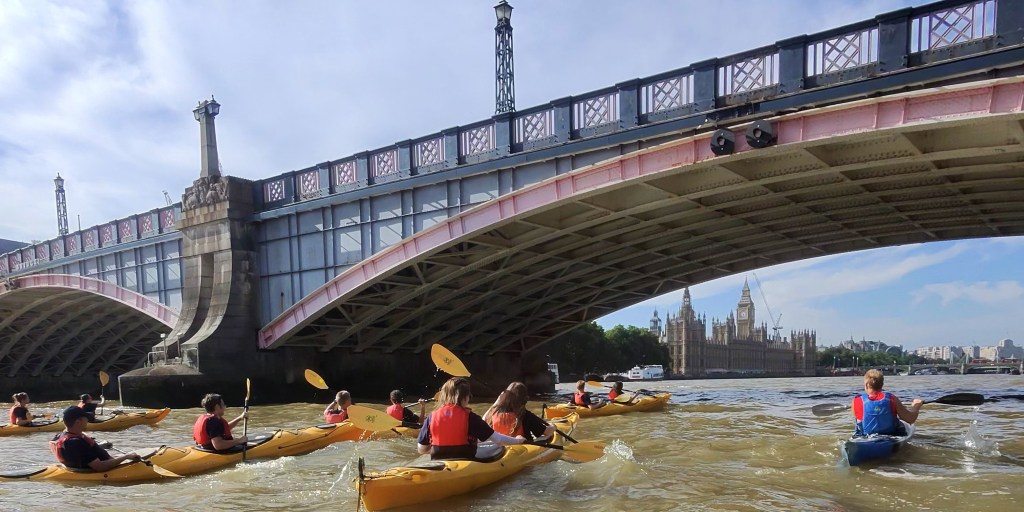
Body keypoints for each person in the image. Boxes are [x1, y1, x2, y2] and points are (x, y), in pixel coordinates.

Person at [417, 377, 525, 460]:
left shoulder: (432, 417)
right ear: (464, 397)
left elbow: (421, 449)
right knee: (500, 446)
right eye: (469, 396)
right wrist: (517, 441)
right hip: (465, 459)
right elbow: (499, 440)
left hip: (438, 458)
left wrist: (442, 448)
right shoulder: (470, 417)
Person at [50, 406, 141, 471]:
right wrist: (126, 456)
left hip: (77, 467)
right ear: (78, 422)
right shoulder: (76, 443)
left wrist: (100, 446)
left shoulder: (59, 436)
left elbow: (81, 454)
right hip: (101, 471)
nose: (87, 421)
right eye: (86, 418)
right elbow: (100, 466)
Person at [852, 369, 923, 437]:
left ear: (867, 385)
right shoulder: (892, 398)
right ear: (882, 384)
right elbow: (910, 419)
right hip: (891, 436)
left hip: (865, 437)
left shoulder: (856, 400)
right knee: (900, 423)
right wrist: (916, 406)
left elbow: (859, 419)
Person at [483, 382, 555, 441]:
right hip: (522, 449)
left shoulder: (495, 413)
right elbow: (547, 432)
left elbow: (483, 420)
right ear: (524, 399)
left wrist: (497, 402)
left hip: (501, 448)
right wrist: (553, 427)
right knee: (548, 437)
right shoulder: (526, 415)